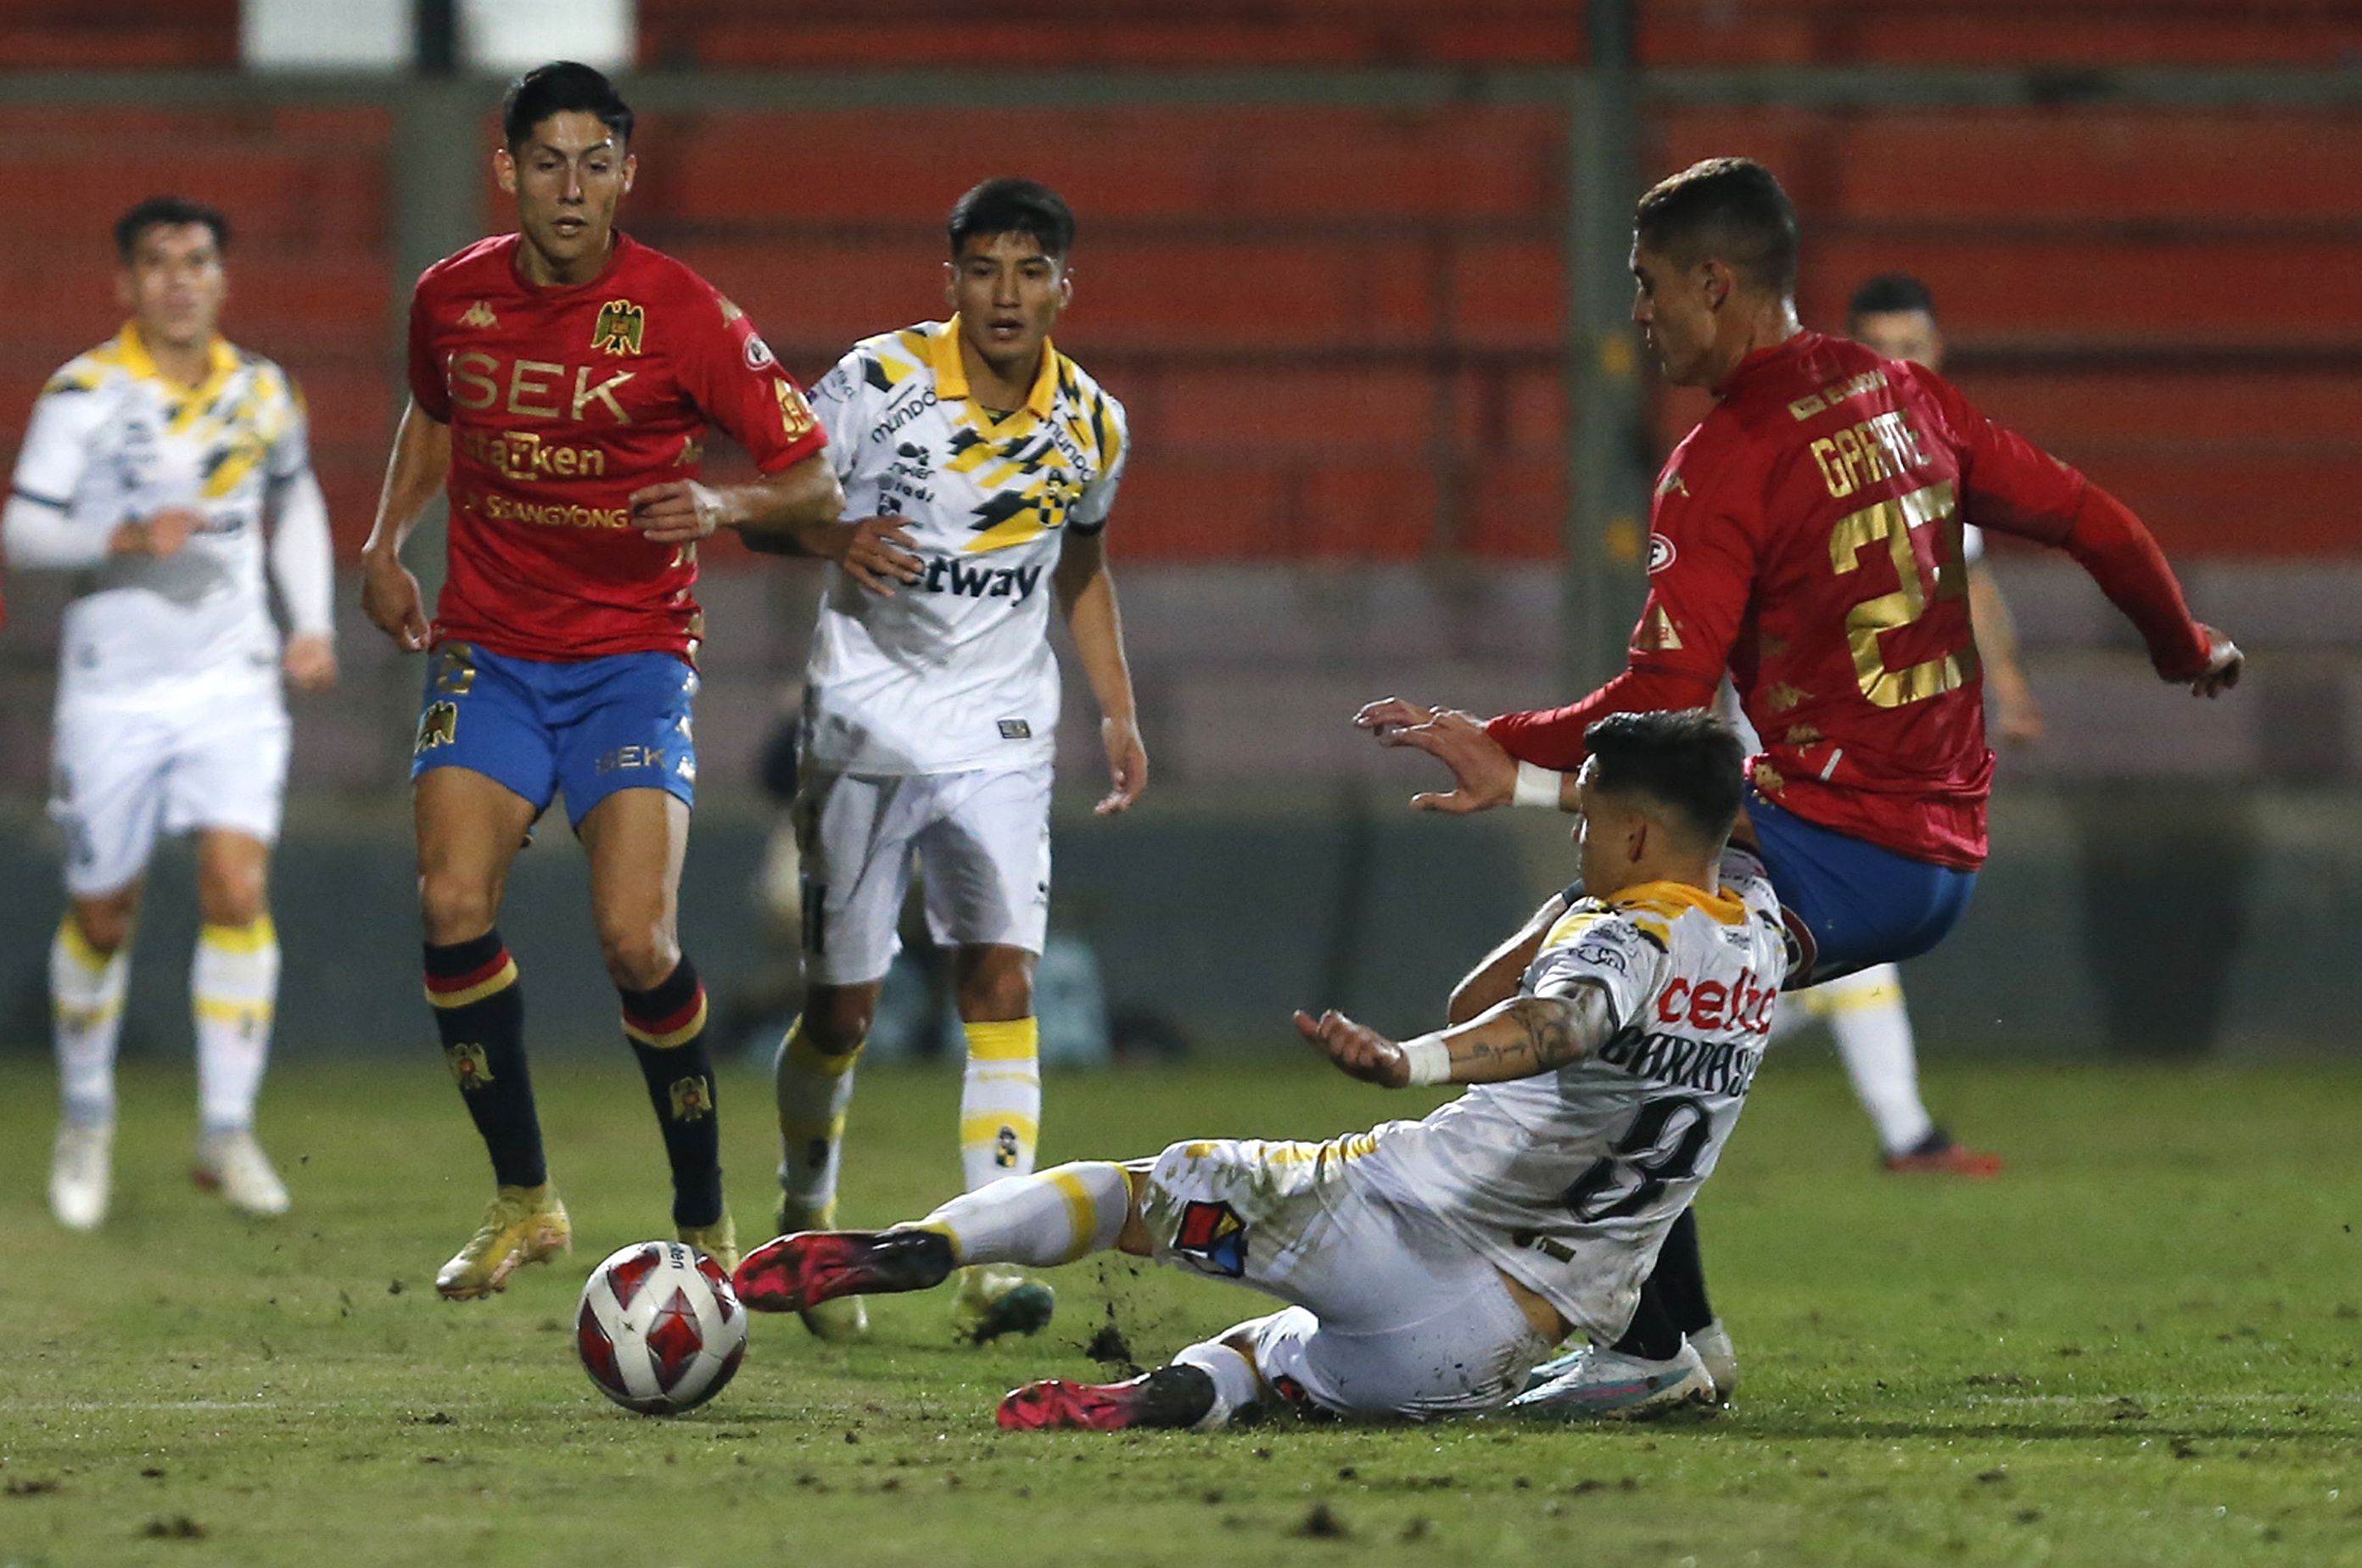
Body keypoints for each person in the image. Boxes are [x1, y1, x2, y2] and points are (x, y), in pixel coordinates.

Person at [1355, 157, 2242, 1403]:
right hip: (1939, 850)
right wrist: (2181, 647)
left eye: (1649, 286)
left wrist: (1509, 739)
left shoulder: (1727, 462)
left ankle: (1652, 1343)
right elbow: (2095, 519)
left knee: (1598, 986)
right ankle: (1670, 1339)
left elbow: (1662, 704)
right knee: (1616, 989)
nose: (1641, 316)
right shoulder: (1909, 399)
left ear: (1714, 283)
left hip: (1835, 840)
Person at [736, 711, 1784, 1427]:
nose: (1577, 837)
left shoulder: (1626, 940)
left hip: (1393, 1212)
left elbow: (1553, 1024)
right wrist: (1577, 902)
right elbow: (1515, 1003)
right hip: (1491, 1338)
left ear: (1638, 831)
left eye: (1589, 818)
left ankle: (928, 1244)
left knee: (1132, 1194)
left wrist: (1405, 1062)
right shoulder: (1764, 938)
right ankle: (1174, 1395)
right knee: (1280, 1359)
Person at [357, 62, 846, 1299]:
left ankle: (708, 1221)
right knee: (451, 904)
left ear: (627, 174)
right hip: (492, 649)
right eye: (548, 161)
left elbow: (813, 477)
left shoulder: (682, 313)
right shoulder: (450, 299)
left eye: (595, 163)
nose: (570, 187)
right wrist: (385, 542)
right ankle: (525, 1197)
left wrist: (725, 502)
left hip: (631, 661)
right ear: (505, 168)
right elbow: (437, 412)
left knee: (637, 939)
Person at [765, 177, 1146, 1345]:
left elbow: (1081, 563)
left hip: (1001, 733)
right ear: (951, 280)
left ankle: (985, 1256)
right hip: (868, 725)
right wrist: (834, 533)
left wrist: (1117, 712)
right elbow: (763, 505)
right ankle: (807, 1213)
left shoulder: (1092, 422)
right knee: (844, 1009)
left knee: (1002, 982)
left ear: (1065, 288)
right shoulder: (877, 386)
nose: (1006, 294)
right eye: (984, 269)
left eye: (1031, 272)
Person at [5, 196, 337, 1229]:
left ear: (222, 279)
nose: (180, 279)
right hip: (115, 688)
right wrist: (126, 530)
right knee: (105, 911)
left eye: (197, 260)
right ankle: (88, 1118)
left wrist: (311, 621)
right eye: (157, 263)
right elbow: (23, 529)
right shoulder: (88, 394)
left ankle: (227, 1130)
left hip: (233, 681)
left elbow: (298, 498)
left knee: (238, 885)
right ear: (127, 285)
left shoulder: (262, 390)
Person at [1734, 271, 2047, 1177]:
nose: (1898, 365)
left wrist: (2011, 688)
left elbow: (1969, 576)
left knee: (1799, 949)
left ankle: (1630, 1044)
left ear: (1938, 352)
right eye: (1881, 349)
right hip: (1773, 750)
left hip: (1854, 756)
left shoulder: (1936, 454)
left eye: (1913, 347)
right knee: (1835, 935)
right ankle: (1904, 1135)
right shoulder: (1806, 454)